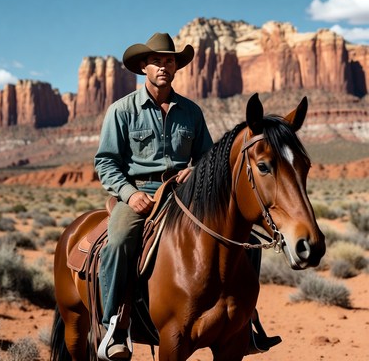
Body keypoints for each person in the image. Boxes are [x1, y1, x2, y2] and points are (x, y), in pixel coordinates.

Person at [94, 32, 280, 360]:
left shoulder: (191, 112)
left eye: (169, 61)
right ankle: (115, 324)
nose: (163, 67)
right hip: (141, 195)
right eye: (156, 61)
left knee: (245, 241)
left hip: (186, 195)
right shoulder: (122, 111)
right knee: (120, 239)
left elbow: (210, 158)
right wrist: (129, 193)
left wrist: (196, 170)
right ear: (143, 67)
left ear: (177, 67)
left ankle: (247, 324)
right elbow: (106, 162)